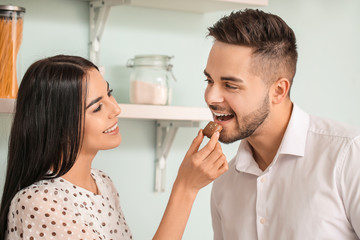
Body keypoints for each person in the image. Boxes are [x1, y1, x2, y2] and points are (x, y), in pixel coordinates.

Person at [0, 55, 228, 239]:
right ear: (59, 124)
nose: (116, 109)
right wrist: (185, 188)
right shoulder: (37, 204)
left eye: (109, 94)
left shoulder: (102, 184)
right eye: (97, 107)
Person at [205, 8, 360, 240]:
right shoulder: (224, 184)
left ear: (278, 90)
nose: (210, 97)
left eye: (230, 85)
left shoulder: (348, 156)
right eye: (209, 80)